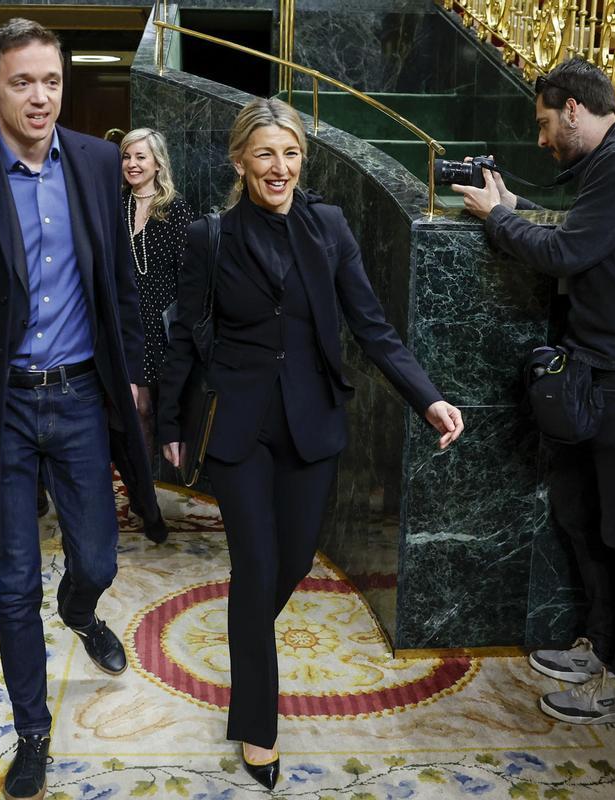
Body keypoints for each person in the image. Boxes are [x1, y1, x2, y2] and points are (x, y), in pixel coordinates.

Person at [157, 98, 464, 788]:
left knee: (293, 562)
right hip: (240, 429)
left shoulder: (327, 227)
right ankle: (257, 727)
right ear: (241, 161)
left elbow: (373, 325)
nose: (280, 167)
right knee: (257, 569)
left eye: (291, 153)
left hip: (312, 424)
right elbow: (184, 336)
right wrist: (170, 428)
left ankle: (245, 637)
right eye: (265, 153)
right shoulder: (210, 238)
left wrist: (429, 398)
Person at [0, 18, 154, 800]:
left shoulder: (95, 162)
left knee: (99, 559)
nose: (41, 96)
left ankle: (82, 610)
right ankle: (33, 734)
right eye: (23, 82)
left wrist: (132, 379)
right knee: (13, 582)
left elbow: (117, 281)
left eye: (51, 80)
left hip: (82, 396)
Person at [451, 57, 615, 726]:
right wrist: (512, 209)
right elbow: (584, 238)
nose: (540, 140)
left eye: (542, 123)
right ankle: (602, 650)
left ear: (572, 108)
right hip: (610, 373)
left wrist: (497, 219)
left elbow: (565, 254)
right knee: (587, 518)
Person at [108, 129, 194, 541]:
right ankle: (146, 501)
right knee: (136, 411)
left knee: (164, 409)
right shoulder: (115, 205)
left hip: (164, 326)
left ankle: (158, 486)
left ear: (158, 162)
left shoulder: (174, 209)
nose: (132, 164)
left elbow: (188, 273)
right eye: (126, 157)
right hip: (126, 325)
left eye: (140, 157)